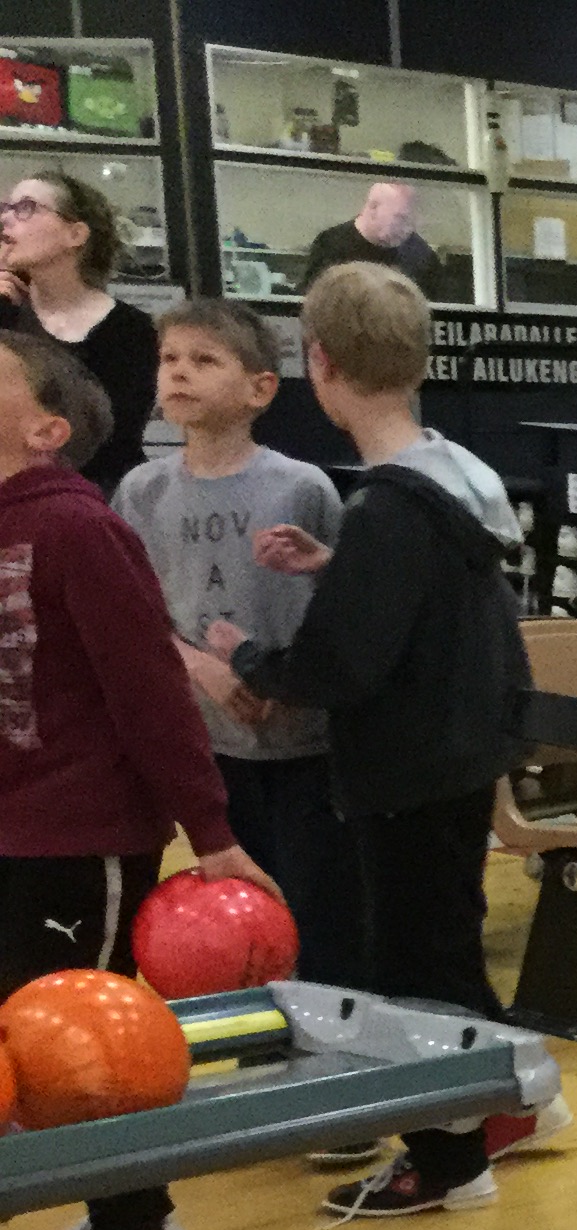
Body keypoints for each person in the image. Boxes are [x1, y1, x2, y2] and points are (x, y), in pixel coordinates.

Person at [206, 264, 553, 1218]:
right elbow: (428, 604)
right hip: (458, 750)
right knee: (447, 948)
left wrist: (248, 657)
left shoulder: (391, 505)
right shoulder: (450, 474)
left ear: (317, 361)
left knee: (414, 974)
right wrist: (339, 567)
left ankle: (447, 1161)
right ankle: (513, 1105)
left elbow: (339, 669)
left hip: (408, 766)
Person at [0, 331, 282, 1230]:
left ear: (48, 429)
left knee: (88, 1056)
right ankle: (109, 1217)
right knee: (28, 1048)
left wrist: (214, 835)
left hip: (82, 842)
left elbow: (151, 693)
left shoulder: (79, 529)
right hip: (11, 837)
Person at [114, 299, 360, 989]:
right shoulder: (140, 492)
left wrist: (281, 678)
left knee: (316, 916)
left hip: (304, 744)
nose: (179, 373)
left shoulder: (302, 486)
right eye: (169, 359)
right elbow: (132, 618)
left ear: (260, 388)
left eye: (204, 360)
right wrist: (200, 667)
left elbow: (340, 608)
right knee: (237, 922)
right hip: (205, 747)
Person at [0, 170, 154, 493]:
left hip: (102, 498)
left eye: (26, 208)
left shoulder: (132, 330)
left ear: (75, 234)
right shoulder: (5, 314)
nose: (5, 219)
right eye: (6, 208)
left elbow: (116, 438)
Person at [299, 181, 443, 297]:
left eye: (411, 221)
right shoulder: (331, 244)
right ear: (373, 208)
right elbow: (312, 302)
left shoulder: (419, 254)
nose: (408, 229)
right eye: (400, 218)